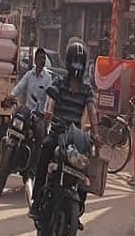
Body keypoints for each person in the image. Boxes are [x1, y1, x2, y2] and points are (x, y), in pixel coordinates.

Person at [30, 40, 98, 218]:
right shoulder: (59, 82)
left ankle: (79, 206)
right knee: (45, 150)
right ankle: (36, 201)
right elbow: (51, 101)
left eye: (80, 62)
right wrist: (49, 113)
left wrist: (96, 133)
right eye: (75, 61)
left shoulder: (87, 89)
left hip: (75, 138)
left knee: (85, 166)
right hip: (57, 133)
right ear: (69, 62)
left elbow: (92, 110)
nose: (77, 65)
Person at [13, 48, 53, 114]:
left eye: (44, 58)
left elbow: (49, 97)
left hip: (40, 114)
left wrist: (47, 110)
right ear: (36, 60)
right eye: (40, 58)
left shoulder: (48, 78)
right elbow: (19, 87)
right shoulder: (29, 75)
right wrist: (12, 95)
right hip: (28, 112)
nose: (42, 61)